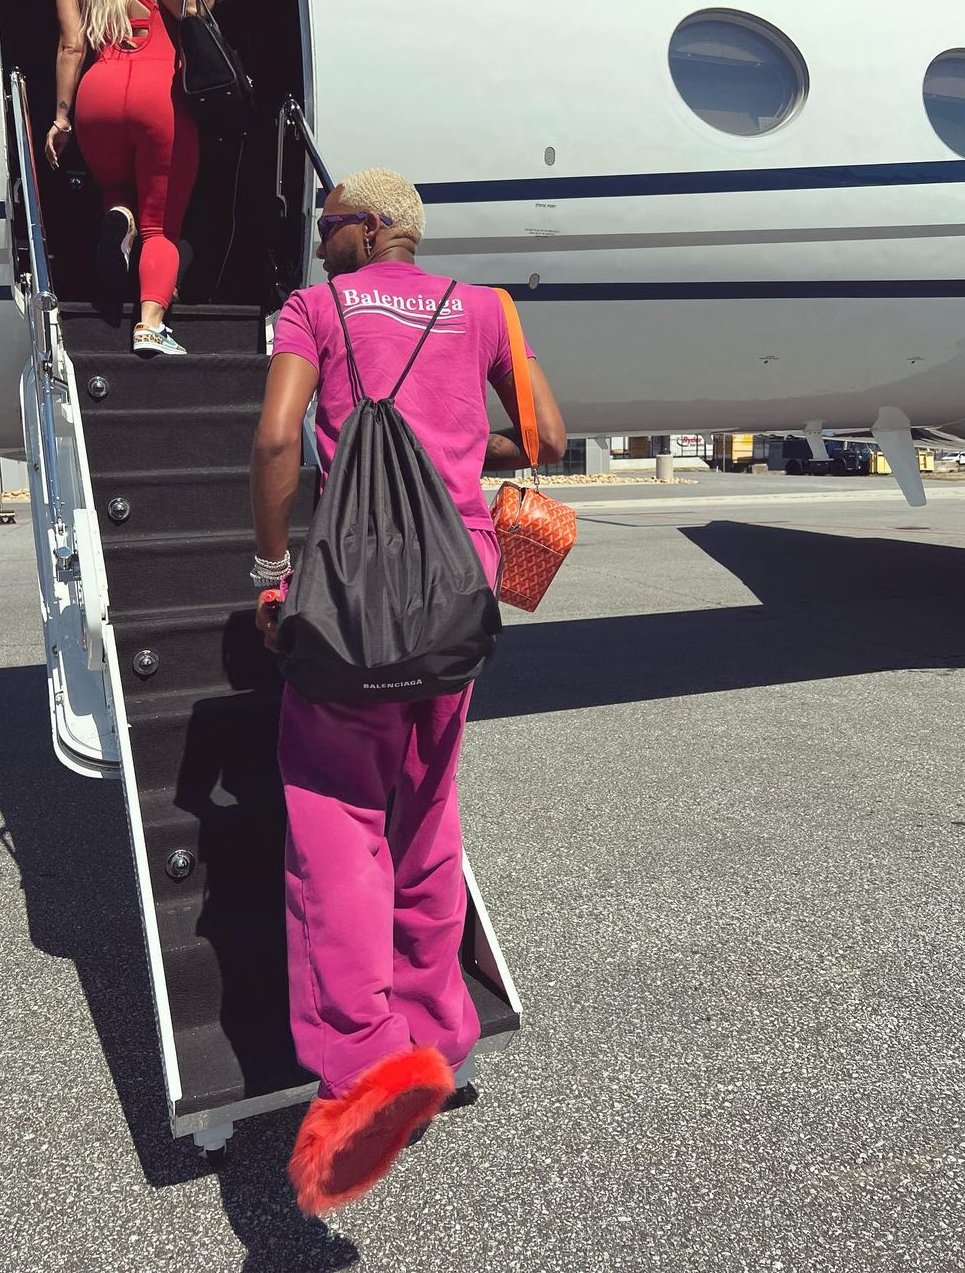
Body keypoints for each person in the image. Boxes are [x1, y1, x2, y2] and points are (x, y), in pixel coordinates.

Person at [250, 168, 566, 1213]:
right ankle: (441, 1034)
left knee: (337, 813)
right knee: (427, 812)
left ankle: (368, 1062)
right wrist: (458, 445)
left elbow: (276, 437)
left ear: (373, 228)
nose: (318, 241)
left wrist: (269, 572)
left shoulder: (315, 309)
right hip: (461, 590)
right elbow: (550, 437)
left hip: (356, 591)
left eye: (328, 224)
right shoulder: (485, 310)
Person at [44, 0, 233, 356]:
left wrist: (61, 119)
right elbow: (192, 6)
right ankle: (150, 325)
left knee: (115, 191)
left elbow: (71, 48)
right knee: (160, 227)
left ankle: (119, 217)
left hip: (97, 97)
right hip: (156, 95)